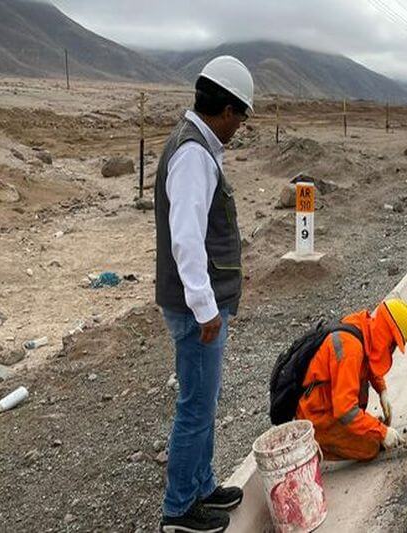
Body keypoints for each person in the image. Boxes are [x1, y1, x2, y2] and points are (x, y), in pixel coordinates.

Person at [155, 55, 254, 533]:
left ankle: (202, 485)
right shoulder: (193, 154)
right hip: (197, 309)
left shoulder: (199, 146)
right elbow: (186, 240)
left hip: (202, 306)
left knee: (206, 399)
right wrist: (205, 309)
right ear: (228, 110)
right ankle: (179, 509)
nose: (240, 127)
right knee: (195, 405)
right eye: (242, 117)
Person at [296, 298, 407, 461]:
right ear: (387, 334)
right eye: (393, 344)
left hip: (327, 402)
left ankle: (344, 433)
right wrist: (382, 432)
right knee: (370, 446)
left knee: (372, 430)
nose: (392, 349)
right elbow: (345, 410)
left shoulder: (363, 325)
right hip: (315, 416)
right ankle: (314, 446)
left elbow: (369, 358)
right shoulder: (350, 350)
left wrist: (382, 390)